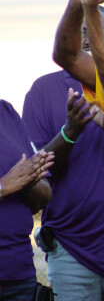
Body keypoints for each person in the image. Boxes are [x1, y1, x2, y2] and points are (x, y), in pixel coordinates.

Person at [24, 0, 104, 300]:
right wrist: (70, 132)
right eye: (81, 30)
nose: (87, 38)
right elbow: (32, 172)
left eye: (97, 30)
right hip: (71, 249)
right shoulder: (43, 90)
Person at [0, 99, 53, 301]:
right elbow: (8, 184)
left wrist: (27, 179)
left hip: (19, 274)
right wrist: (3, 187)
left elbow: (44, 195)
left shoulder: (6, 111)